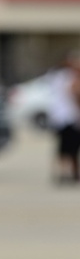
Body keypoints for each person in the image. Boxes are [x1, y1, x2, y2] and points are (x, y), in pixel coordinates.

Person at [47, 50, 80, 184]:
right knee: (68, 147)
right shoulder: (67, 77)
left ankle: (70, 173)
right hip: (68, 118)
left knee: (70, 148)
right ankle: (66, 173)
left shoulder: (58, 76)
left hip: (63, 117)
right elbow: (74, 94)